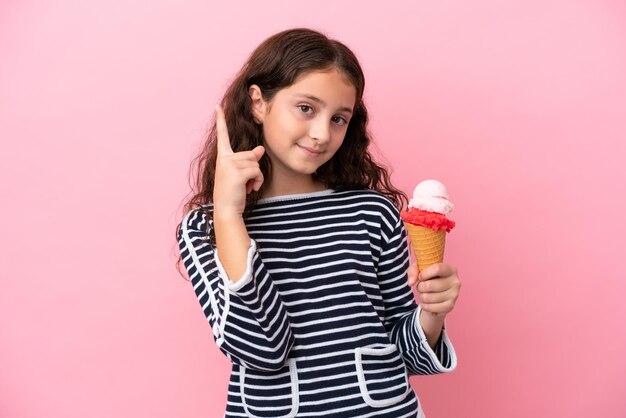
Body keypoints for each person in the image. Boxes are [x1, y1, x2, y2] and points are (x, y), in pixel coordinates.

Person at [177, 28, 461, 418]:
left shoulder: (372, 212)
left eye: (339, 118)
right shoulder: (204, 228)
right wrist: (229, 215)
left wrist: (432, 313)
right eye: (306, 108)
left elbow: (404, 353)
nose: (321, 134)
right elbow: (264, 348)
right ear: (258, 103)